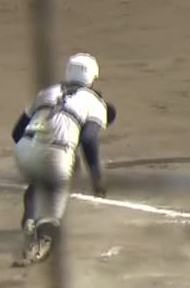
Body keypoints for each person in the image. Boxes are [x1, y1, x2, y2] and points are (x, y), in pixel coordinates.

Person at [11, 53, 114, 267]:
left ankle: (29, 219)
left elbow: (16, 131)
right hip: (56, 155)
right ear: (93, 77)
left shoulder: (47, 91)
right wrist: (96, 177)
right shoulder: (95, 102)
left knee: (38, 181)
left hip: (24, 149)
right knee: (52, 217)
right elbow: (88, 138)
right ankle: (37, 247)